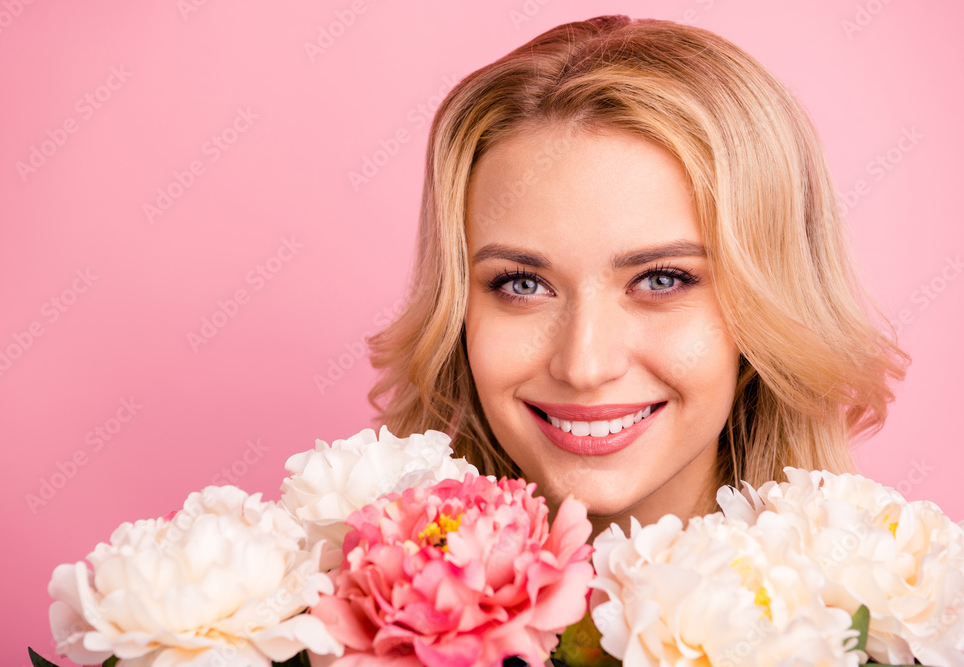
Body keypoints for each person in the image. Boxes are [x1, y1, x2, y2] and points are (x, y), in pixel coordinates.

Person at [366, 15, 909, 536]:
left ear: (771, 308)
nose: (584, 366)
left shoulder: (904, 622)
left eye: (660, 280)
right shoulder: (307, 619)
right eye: (522, 285)